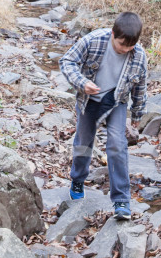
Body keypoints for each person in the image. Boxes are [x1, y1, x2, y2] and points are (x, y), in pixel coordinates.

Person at [59, 11, 147, 221]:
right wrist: (82, 83)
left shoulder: (139, 56)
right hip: (89, 99)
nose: (125, 49)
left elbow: (141, 86)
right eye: (121, 45)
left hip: (116, 101)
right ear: (112, 34)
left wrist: (137, 113)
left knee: (117, 144)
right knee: (84, 143)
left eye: (130, 46)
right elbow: (67, 61)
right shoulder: (93, 40)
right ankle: (78, 179)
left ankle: (121, 200)